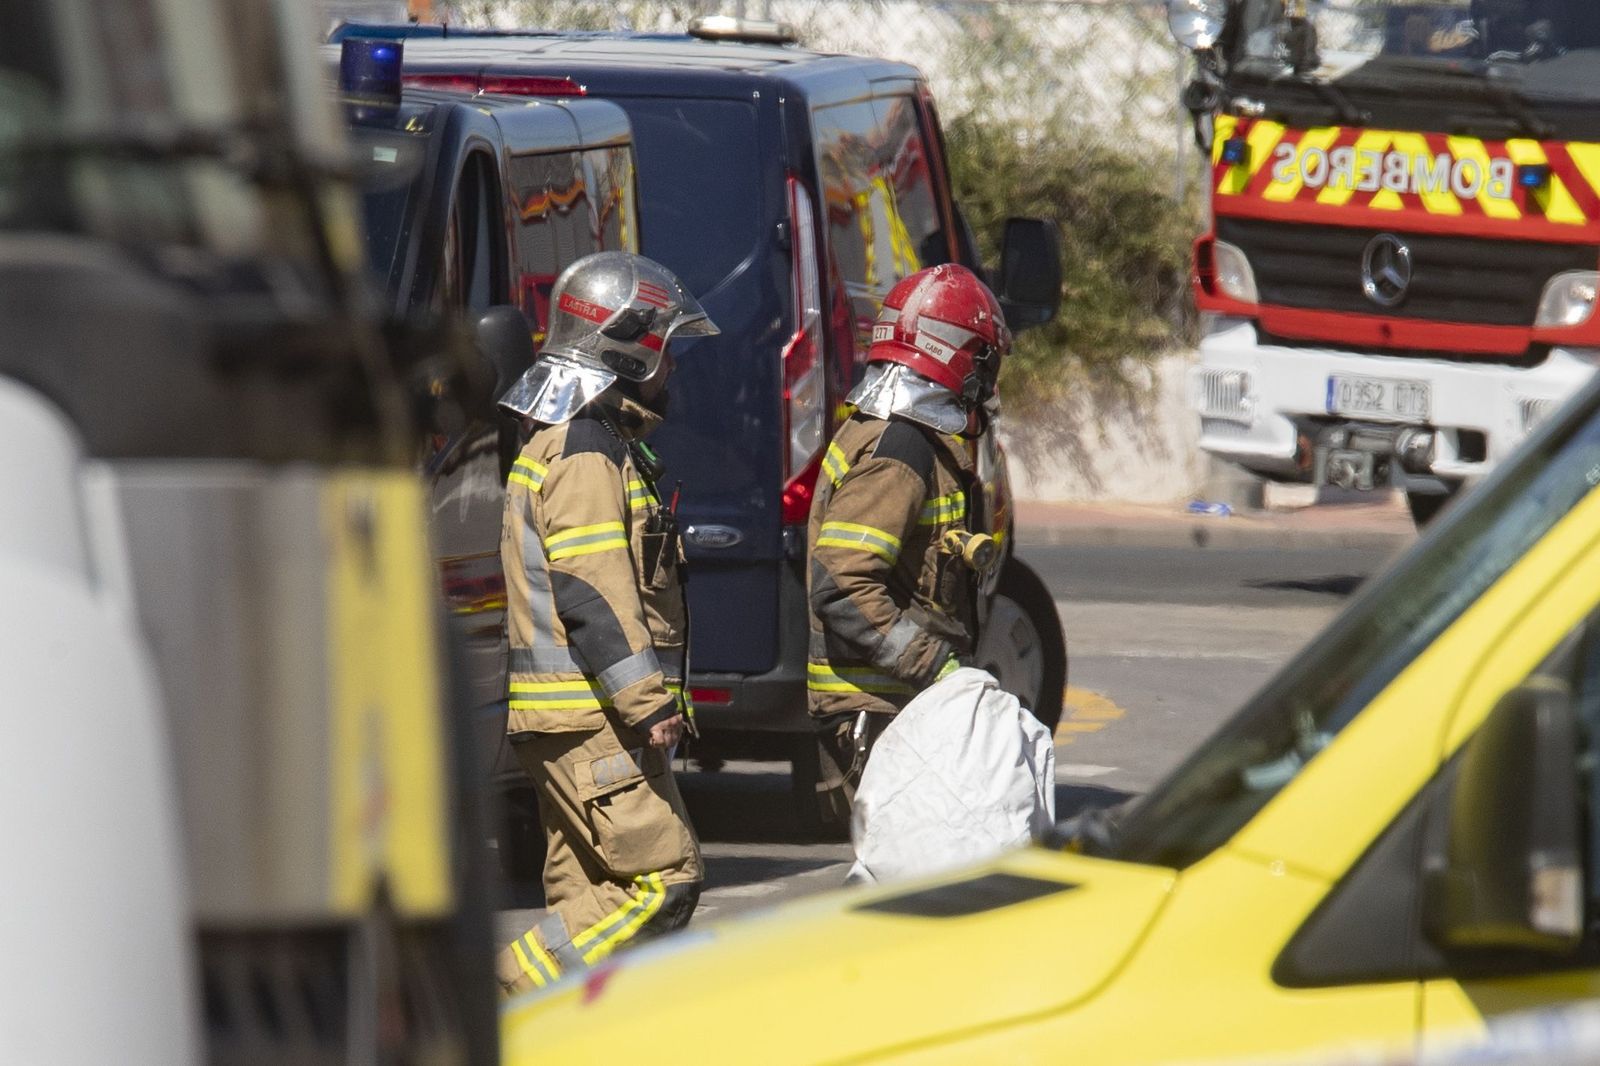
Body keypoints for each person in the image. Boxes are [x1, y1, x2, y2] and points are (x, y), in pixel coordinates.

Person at [493, 251, 716, 995]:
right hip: (592, 719)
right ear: (628, 350)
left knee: (585, 893)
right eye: (665, 352)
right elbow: (591, 589)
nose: (672, 370)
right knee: (661, 881)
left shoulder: (577, 442)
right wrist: (647, 703)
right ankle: (498, 999)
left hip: (566, 719)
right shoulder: (587, 450)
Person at [806, 263, 1012, 825]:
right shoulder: (901, 448)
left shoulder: (903, 433)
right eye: (985, 364)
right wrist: (934, 665)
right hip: (876, 713)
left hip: (895, 710)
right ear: (960, 360)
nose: (989, 385)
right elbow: (842, 584)